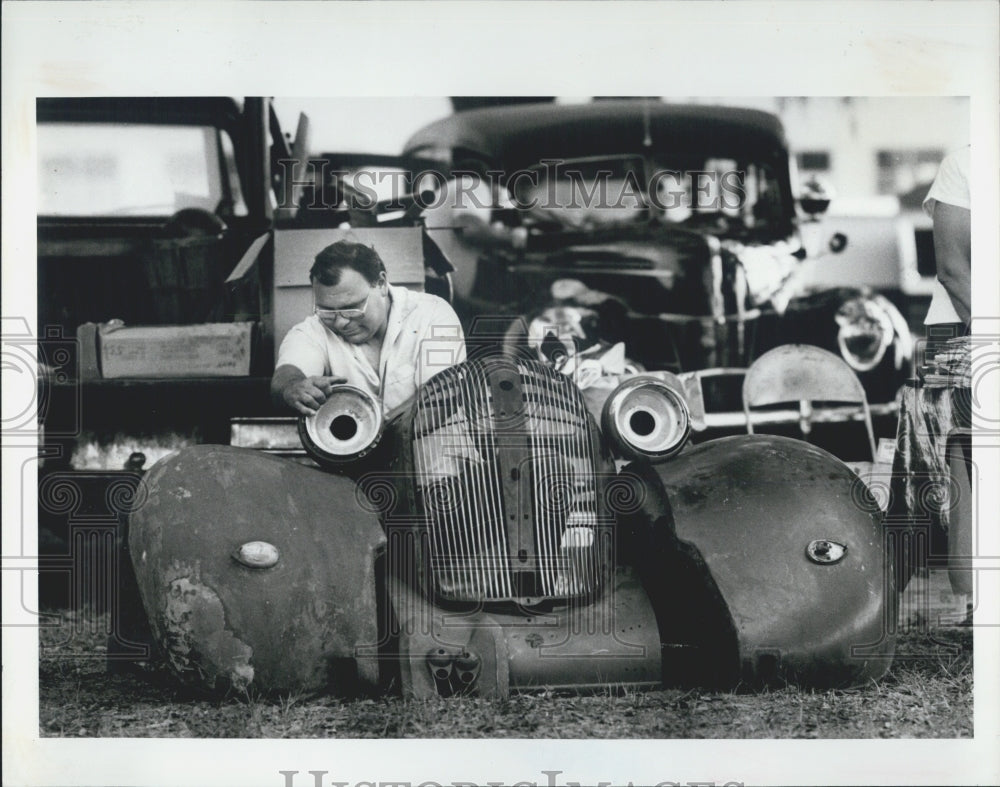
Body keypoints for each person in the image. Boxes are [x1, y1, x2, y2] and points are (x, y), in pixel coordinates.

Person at [272, 240, 466, 415]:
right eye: (327, 311)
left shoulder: (432, 313)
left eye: (351, 308)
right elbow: (287, 372)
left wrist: (374, 434)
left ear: (381, 284)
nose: (340, 322)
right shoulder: (314, 329)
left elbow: (441, 398)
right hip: (358, 454)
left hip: (437, 452)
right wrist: (294, 387)